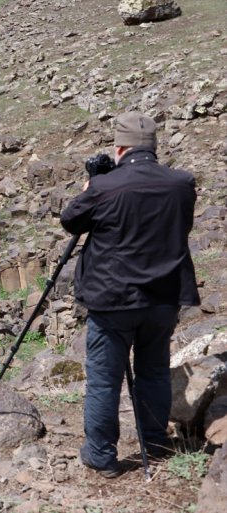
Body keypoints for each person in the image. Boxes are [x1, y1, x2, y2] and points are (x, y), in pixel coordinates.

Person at [60, 111, 200, 478]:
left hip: (113, 299)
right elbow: (180, 226)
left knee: (105, 379)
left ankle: (102, 456)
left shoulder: (107, 187)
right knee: (153, 371)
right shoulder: (182, 183)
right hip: (164, 297)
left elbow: (71, 219)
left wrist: (93, 185)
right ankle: (154, 444)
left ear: (119, 148)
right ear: (153, 147)